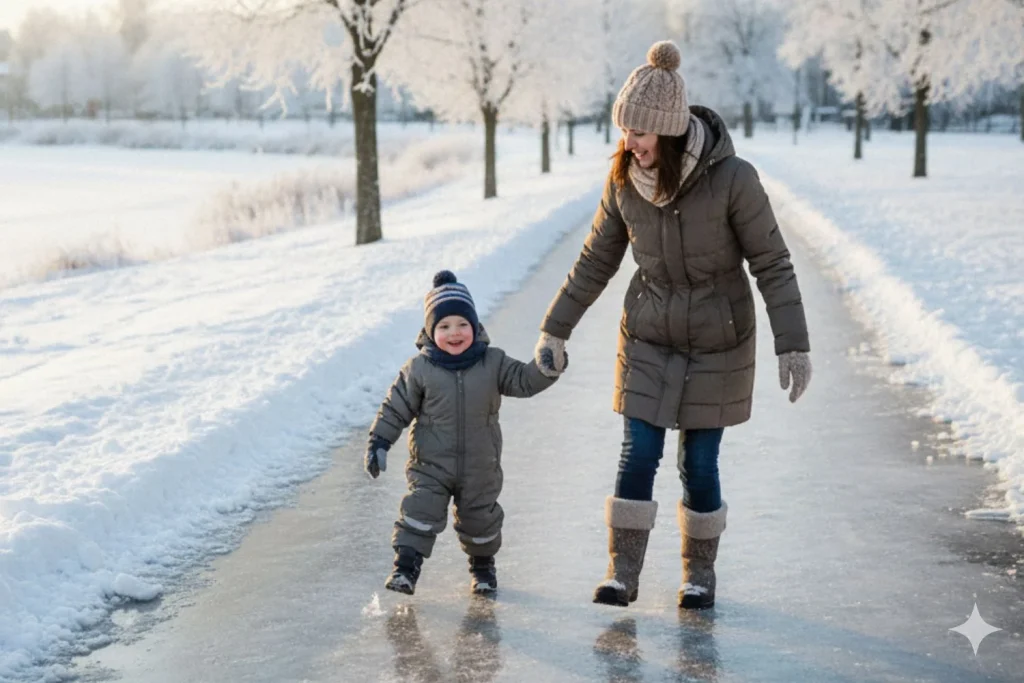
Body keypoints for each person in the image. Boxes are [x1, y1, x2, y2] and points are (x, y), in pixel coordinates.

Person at [533, 41, 812, 609]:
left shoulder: (734, 179)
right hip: (649, 334)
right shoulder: (622, 182)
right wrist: (554, 329)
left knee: (698, 463)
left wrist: (793, 345)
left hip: (718, 341)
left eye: (638, 132)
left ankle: (698, 574)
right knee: (637, 452)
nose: (629, 143)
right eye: (624, 131)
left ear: (668, 129)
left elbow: (772, 263)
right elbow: (594, 261)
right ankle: (622, 573)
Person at [367, 270, 565, 595]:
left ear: (475, 326)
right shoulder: (419, 369)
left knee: (480, 520)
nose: (454, 333)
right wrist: (379, 441)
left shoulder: (493, 362)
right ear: (431, 332)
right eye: (444, 326)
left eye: (462, 324)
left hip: (480, 466)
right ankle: (405, 568)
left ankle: (483, 569)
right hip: (431, 465)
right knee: (420, 509)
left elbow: (525, 381)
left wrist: (548, 366)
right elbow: (395, 407)